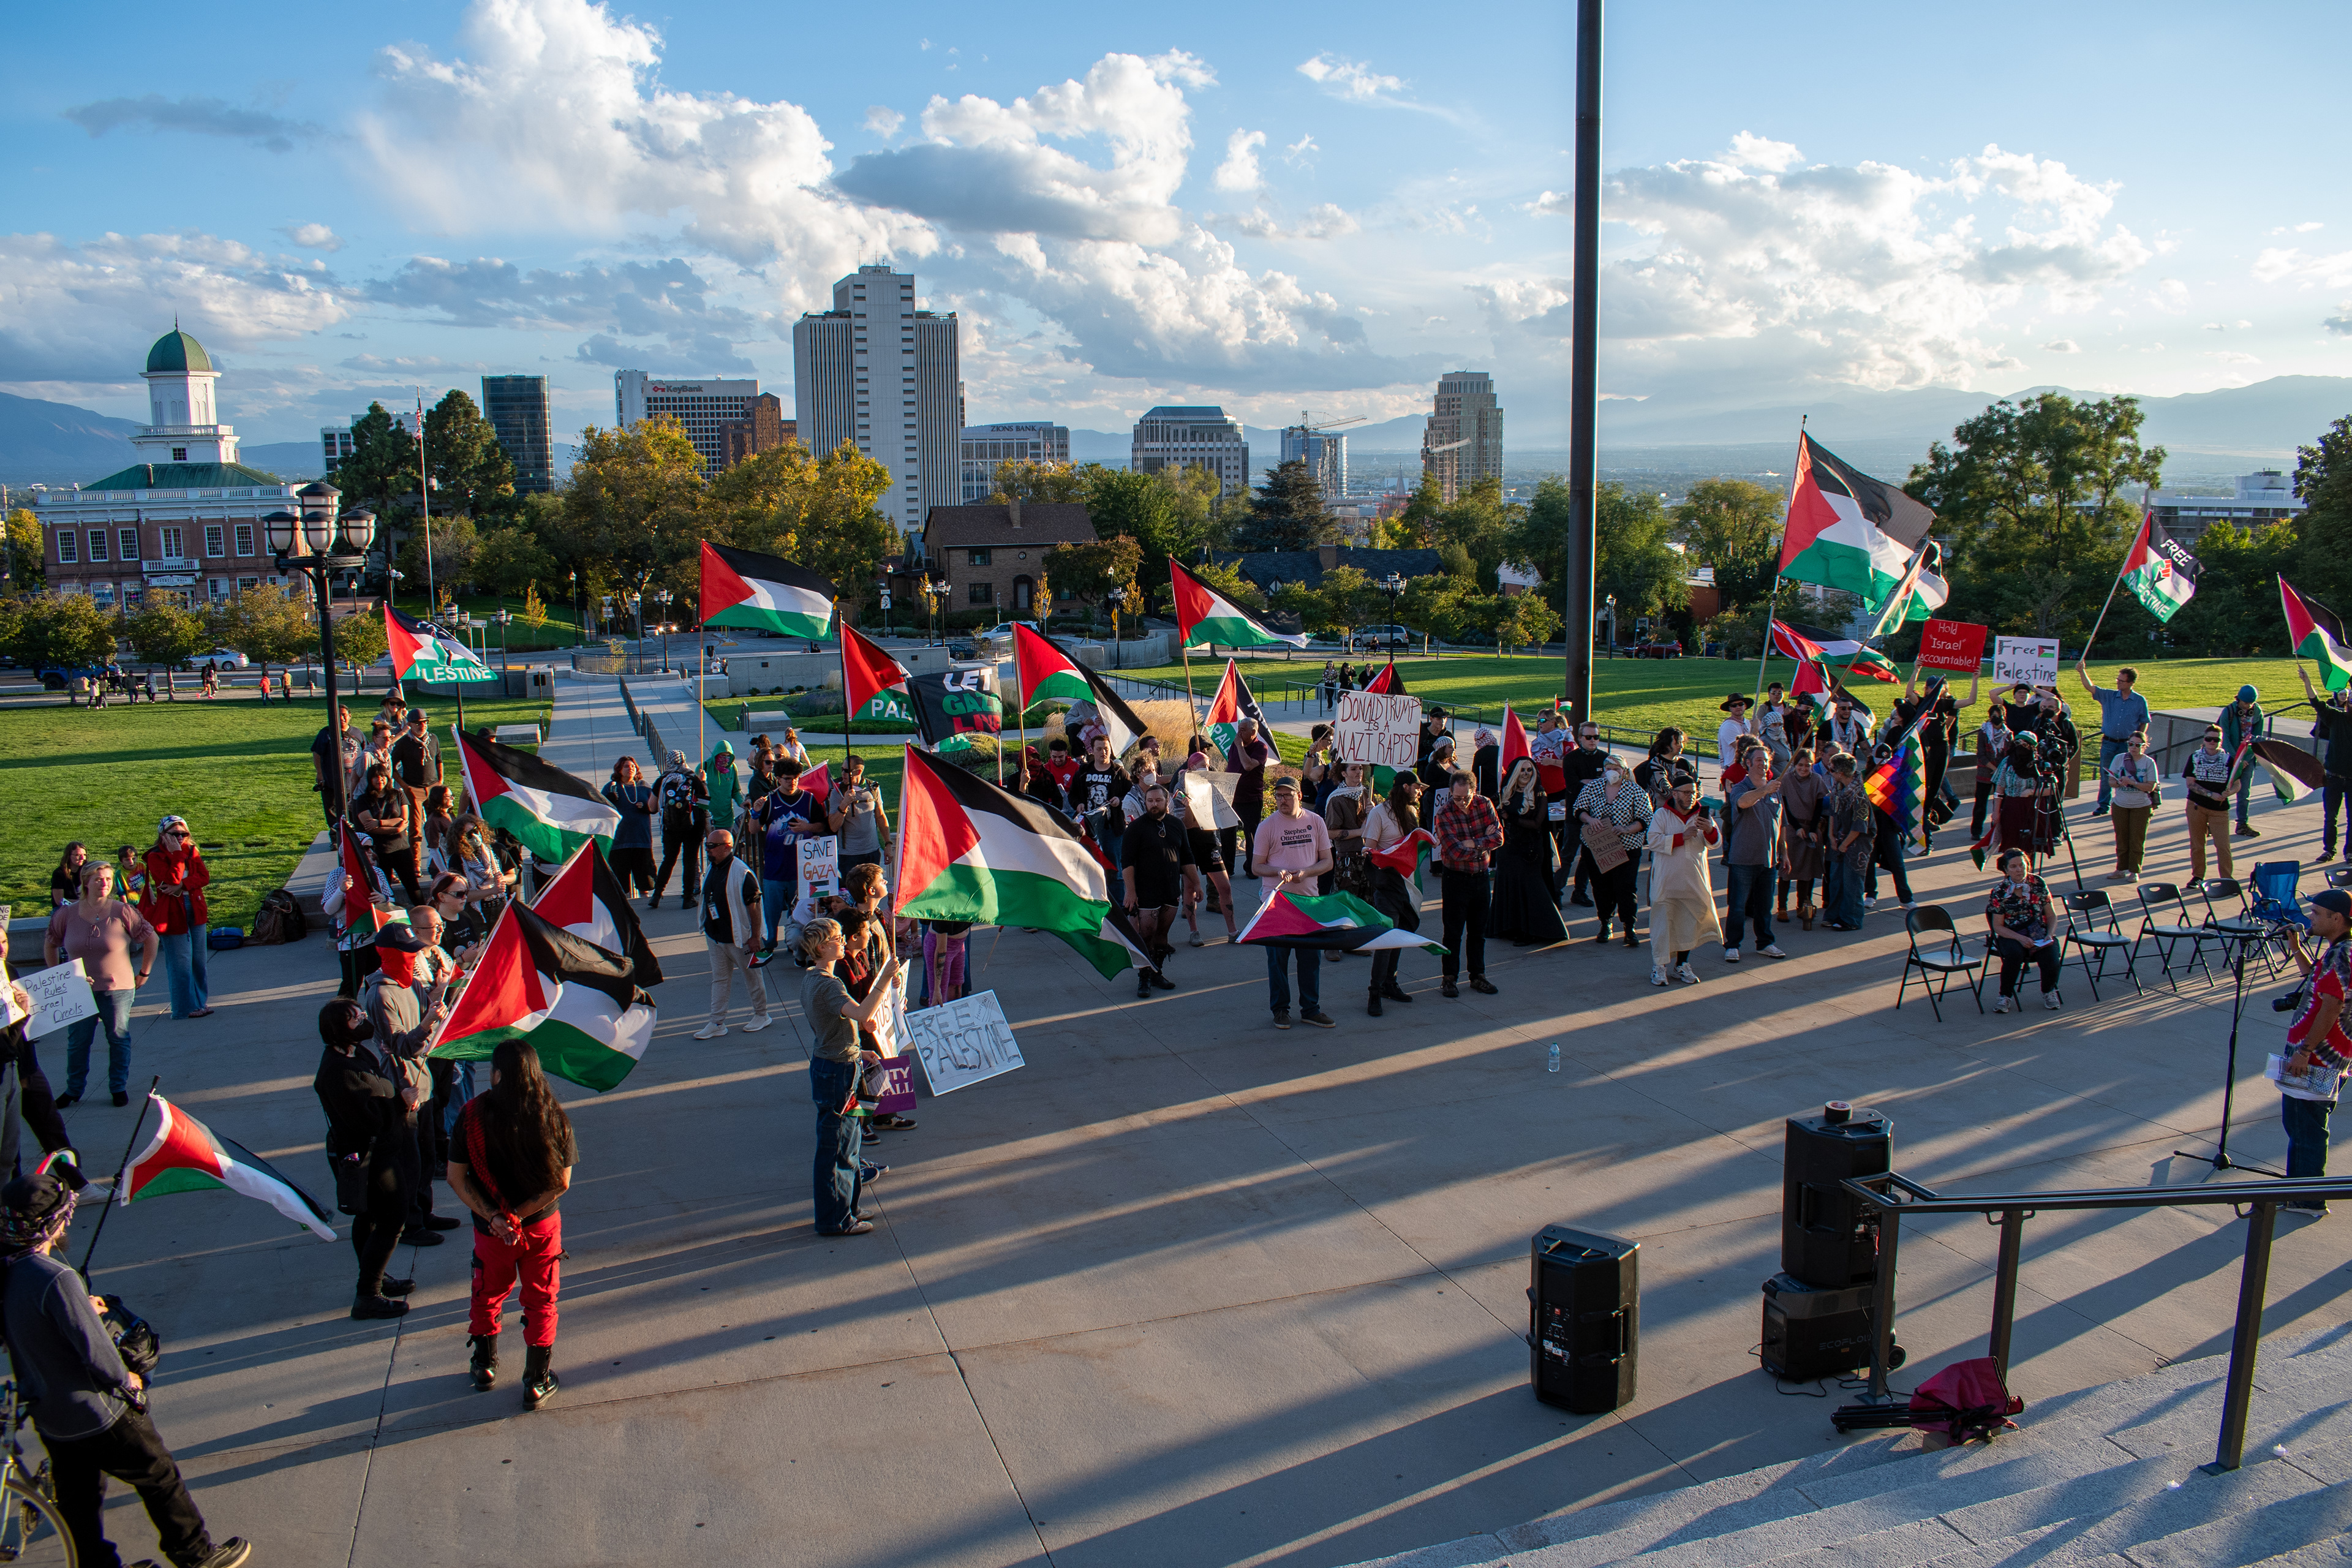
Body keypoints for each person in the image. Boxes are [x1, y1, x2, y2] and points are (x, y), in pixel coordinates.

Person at [0, 1167, 252, 1568]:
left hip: (51, 1416)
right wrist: (128, 1383)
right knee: (159, 1477)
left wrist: (83, 1306)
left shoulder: (10, 1270)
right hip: (97, 1412)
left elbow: (35, 1325)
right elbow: (96, 1354)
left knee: (78, 1501)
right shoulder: (56, 1277)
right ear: (53, 1221)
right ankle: (196, 1554)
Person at [449, 1039, 577, 1409]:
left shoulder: (471, 1116)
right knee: (541, 1300)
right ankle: (536, 1381)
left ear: (498, 1074)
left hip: (491, 1232)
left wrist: (494, 1217)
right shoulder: (553, 1115)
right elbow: (561, 1183)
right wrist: (518, 1217)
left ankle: (485, 1365)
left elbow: (457, 1178)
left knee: (488, 1292)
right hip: (539, 1228)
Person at [315, 996, 422, 1320]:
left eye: (361, 1014)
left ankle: (376, 1278)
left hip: (384, 1148)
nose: (363, 1020)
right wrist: (401, 1103)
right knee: (392, 1219)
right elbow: (369, 1120)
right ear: (337, 1030)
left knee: (370, 1219)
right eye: (354, 1019)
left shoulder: (357, 1052)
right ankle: (368, 1295)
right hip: (369, 1159)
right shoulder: (338, 1073)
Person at [799, 917, 900, 1236]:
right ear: (820, 948)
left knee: (851, 1142)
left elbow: (843, 1024)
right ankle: (835, 1219)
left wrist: (861, 1050)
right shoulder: (828, 985)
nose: (843, 941)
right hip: (837, 1073)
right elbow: (862, 1013)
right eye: (836, 938)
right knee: (838, 1147)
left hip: (840, 1065)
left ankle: (849, 1208)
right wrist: (885, 978)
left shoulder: (813, 980)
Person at [363, 925, 459, 1244]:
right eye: (408, 951)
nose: (414, 955)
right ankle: (409, 1224)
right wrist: (429, 1023)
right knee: (409, 1161)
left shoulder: (414, 984)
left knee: (427, 1157)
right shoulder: (380, 993)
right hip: (403, 1090)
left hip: (424, 1082)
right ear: (389, 954)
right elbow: (403, 1047)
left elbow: (421, 1032)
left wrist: (437, 1008)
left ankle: (424, 1211)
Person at [45, 864, 155, 1109]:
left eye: (107, 879)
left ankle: (118, 1087)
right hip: (79, 990)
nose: (105, 883)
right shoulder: (67, 914)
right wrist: (58, 977)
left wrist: (144, 973)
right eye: (98, 879)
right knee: (78, 1042)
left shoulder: (122, 910)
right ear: (85, 882)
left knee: (118, 1037)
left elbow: (151, 938)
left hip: (118, 987)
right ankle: (73, 1090)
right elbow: (51, 943)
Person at [2278, 890, 2352, 1215]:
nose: (2310, 917)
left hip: (2318, 1059)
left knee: (2306, 1127)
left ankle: (2307, 1199)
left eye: (2316, 913)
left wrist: (2305, 1051)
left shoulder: (2342, 954)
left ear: (2337, 918)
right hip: (2326, 1058)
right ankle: (2300, 1192)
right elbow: (2316, 982)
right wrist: (2296, 949)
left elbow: (2332, 1005)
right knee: (2303, 1125)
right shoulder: (2340, 950)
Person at [1252, 775, 1336, 1026]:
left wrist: (1306, 873)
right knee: (1278, 959)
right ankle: (1280, 1010)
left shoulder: (1316, 822)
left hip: (1308, 902)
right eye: (1278, 796)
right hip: (1276, 902)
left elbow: (1327, 862)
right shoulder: (1267, 826)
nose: (1282, 800)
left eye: (1287, 795)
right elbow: (1257, 866)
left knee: (1310, 959)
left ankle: (1311, 1009)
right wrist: (1278, 872)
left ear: (1299, 796)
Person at [0, 929, 76, 1185]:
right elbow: (8, 1035)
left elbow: (37, 1004)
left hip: (24, 1063)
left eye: (5, 941)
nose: (2, 949)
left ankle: (76, 1183)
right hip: (7, 1065)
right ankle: (12, 1198)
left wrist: (74, 988)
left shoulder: (8, 970)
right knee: (7, 1149)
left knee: (50, 1126)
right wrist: (21, 1017)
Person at [1431, 768, 1502, 998]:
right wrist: (1482, 843)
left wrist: (1471, 843)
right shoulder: (1444, 813)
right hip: (1455, 879)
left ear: (1475, 791)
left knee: (1478, 931)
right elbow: (1453, 850)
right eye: (1457, 797)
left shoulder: (1485, 804)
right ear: (1450, 792)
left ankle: (1478, 975)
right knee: (1453, 932)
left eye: (1466, 797)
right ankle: (1449, 978)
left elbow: (1499, 837)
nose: (1461, 802)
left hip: (1481, 878)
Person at [1643, 774, 1721, 985]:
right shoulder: (1662, 815)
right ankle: (1659, 967)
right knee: (1662, 924)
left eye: (1694, 793)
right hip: (1666, 882)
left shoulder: (1702, 816)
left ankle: (1682, 965)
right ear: (1675, 793)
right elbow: (1654, 841)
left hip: (1694, 880)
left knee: (1688, 923)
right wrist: (1681, 837)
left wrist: (1710, 830)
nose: (1691, 797)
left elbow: (1715, 843)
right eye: (1687, 793)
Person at [1360, 773, 1425, 1016]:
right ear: (1405, 787)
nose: (1419, 792)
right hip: (1387, 884)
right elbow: (1369, 846)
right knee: (1387, 939)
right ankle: (1374, 992)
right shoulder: (1379, 814)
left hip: (1407, 885)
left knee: (1400, 934)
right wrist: (1387, 854)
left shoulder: (1411, 812)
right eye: (1416, 788)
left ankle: (1391, 983)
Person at [695, 829, 770, 1038]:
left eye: (712, 846)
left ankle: (762, 1015)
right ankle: (717, 1022)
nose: (708, 850)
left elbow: (754, 907)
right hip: (715, 936)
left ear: (727, 847)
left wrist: (755, 937)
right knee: (719, 979)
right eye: (707, 845)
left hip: (740, 938)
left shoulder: (741, 873)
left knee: (752, 976)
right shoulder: (712, 868)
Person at [1721, 736, 1789, 962]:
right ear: (1747, 763)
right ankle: (1732, 945)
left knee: (1764, 906)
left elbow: (1781, 825)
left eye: (1767, 760)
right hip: (1743, 858)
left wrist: (1784, 853)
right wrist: (1765, 790)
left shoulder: (1776, 791)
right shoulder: (1742, 788)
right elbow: (1742, 803)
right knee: (1738, 906)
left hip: (1768, 860)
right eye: (1759, 760)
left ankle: (1765, 943)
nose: (1764, 764)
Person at [1572, 752, 1650, 948]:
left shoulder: (1635, 791)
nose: (1612, 773)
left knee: (1626, 888)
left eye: (1616, 769)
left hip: (1627, 847)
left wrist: (1626, 829)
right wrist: (1590, 820)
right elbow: (1578, 810)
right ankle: (1605, 922)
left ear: (1624, 771)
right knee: (1601, 886)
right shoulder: (1592, 787)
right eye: (1609, 769)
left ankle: (1629, 926)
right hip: (1598, 846)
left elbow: (1645, 819)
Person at [1121, 784, 1193, 998]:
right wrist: (1130, 892)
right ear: (1145, 802)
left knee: (1162, 934)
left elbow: (1187, 857)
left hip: (1170, 889)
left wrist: (1196, 885)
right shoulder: (1136, 828)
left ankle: (1156, 972)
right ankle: (1144, 976)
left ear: (1166, 800)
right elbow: (1127, 863)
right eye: (1150, 801)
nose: (1154, 805)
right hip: (1146, 890)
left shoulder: (1176, 825)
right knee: (1146, 934)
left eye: (1158, 801)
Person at [141, 815, 213, 1020]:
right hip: (172, 913)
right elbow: (170, 879)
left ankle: (200, 1003)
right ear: (162, 835)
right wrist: (177, 855)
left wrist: (182, 885)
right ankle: (184, 1008)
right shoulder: (155, 856)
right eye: (175, 834)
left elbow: (204, 877)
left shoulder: (193, 851)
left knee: (198, 960)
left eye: (184, 834)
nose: (180, 838)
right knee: (180, 962)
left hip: (196, 908)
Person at [1489, 758, 1567, 948]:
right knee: (1509, 886)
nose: (1526, 773)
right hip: (1508, 849)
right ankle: (1511, 928)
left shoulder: (1539, 793)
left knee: (1531, 890)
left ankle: (1536, 930)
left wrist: (1511, 817)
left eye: (1530, 770)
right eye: (1522, 770)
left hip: (1530, 849)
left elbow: (1536, 824)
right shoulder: (1505, 793)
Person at [751, 761, 823, 950]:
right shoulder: (770, 801)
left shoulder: (808, 800)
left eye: (796, 778)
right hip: (775, 869)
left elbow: (822, 826)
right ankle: (770, 944)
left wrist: (806, 827)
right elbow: (753, 829)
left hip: (802, 871)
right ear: (778, 779)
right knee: (771, 914)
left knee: (798, 914)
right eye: (787, 779)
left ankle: (796, 945)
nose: (792, 782)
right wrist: (755, 812)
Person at [1985, 850, 2061, 1012]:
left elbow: (2051, 915)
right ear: (2005, 870)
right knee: (2014, 956)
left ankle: (2049, 991)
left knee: (2051, 958)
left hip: (2038, 933)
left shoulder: (2038, 883)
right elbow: (1998, 926)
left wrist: (2049, 934)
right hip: (2011, 934)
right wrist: (2020, 938)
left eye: (2022, 865)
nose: (2019, 869)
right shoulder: (1999, 891)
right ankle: (2004, 996)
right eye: (2013, 866)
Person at [2076, 663, 2151, 818]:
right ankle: (2103, 805)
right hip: (2109, 743)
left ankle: (2125, 803)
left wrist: (2138, 741)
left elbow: (2144, 721)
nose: (2118, 683)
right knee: (2107, 775)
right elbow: (2090, 687)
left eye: (2121, 681)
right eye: (2117, 680)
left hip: (2128, 745)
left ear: (2131, 683)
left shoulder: (2139, 701)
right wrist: (2082, 671)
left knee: (2129, 775)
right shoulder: (2109, 696)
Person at [352, 763, 422, 906]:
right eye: (376, 777)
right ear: (370, 780)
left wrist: (379, 823)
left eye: (383, 777)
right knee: (384, 890)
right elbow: (369, 827)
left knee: (413, 887)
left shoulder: (398, 795)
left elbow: (404, 820)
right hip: (379, 851)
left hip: (401, 848)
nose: (380, 780)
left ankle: (423, 912)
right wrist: (396, 828)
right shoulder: (363, 800)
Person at [1776, 742, 1828, 929]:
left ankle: (1803, 904)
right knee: (1787, 869)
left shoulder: (1817, 781)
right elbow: (1785, 806)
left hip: (1810, 827)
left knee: (1807, 870)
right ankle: (1782, 906)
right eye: (1800, 765)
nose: (1804, 769)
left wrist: (1813, 829)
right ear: (1794, 765)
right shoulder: (1787, 780)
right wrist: (1796, 827)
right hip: (1792, 827)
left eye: (1808, 765)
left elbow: (1819, 806)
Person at [2304, 666, 2352, 864]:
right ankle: (2329, 850)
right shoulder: (2336, 718)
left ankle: (2350, 853)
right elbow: (2317, 703)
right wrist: (2307, 682)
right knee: (2330, 817)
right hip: (2333, 777)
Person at [391, 707, 443, 887]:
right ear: (410, 725)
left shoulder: (433, 739)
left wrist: (440, 781)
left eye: (425, 722)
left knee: (438, 823)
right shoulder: (405, 743)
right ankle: (416, 864)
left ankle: (439, 861)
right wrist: (405, 786)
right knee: (415, 828)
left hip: (433, 787)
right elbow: (392, 764)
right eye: (418, 723)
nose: (422, 726)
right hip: (414, 789)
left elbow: (438, 759)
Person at [1820, 755, 1872, 932]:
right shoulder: (1838, 789)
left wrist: (1844, 844)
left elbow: (1860, 825)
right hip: (1838, 840)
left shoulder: (1859, 795)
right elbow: (1833, 814)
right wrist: (1832, 837)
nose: (1830, 772)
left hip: (1856, 845)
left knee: (1852, 882)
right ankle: (1834, 915)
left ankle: (1851, 919)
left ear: (1841, 773)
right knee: (1836, 881)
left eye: (1832, 769)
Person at [2181, 724, 2236, 889]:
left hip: (2219, 809)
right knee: (2198, 844)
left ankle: (2227, 879)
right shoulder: (2195, 758)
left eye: (2216, 740)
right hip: (2197, 806)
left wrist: (2230, 792)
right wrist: (2210, 794)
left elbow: (2238, 784)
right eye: (2209, 739)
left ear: (2221, 742)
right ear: (2204, 740)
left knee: (2223, 845)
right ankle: (2198, 876)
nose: (2212, 742)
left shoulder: (2229, 760)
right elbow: (2190, 784)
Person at [654, 749, 710, 908]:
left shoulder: (663, 779)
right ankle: (688, 897)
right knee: (690, 861)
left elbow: (652, 807)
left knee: (669, 859)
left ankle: (657, 895)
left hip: (670, 827)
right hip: (693, 827)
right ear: (684, 760)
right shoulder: (693, 778)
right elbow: (705, 803)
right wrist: (703, 781)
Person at [2106, 732, 2161, 882]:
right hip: (2120, 804)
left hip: (2141, 806)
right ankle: (2120, 869)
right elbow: (2111, 781)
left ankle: (2134, 871)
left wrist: (2133, 783)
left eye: (2138, 745)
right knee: (2121, 838)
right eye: (2131, 744)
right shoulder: (2119, 759)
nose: (2134, 748)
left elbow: (2151, 786)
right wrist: (2119, 782)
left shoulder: (2149, 762)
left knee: (2137, 839)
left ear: (2144, 746)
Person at [601, 756, 658, 899]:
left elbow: (655, 807)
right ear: (619, 770)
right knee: (621, 880)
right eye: (626, 766)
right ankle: (627, 905)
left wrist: (646, 808)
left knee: (644, 877)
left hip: (641, 839)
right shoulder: (611, 787)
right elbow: (601, 809)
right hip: (620, 840)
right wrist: (608, 800)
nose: (631, 769)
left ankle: (644, 901)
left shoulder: (644, 786)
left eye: (633, 766)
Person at [1074, 735, 1130, 878]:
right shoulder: (1083, 772)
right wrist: (1078, 804)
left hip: (1113, 828)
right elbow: (1073, 794)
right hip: (1089, 828)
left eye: (1106, 749)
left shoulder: (1120, 773)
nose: (1103, 752)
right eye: (1099, 749)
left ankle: (1118, 899)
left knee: (1116, 869)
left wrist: (1120, 799)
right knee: (1091, 868)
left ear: (1111, 750)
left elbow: (1131, 794)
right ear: (1092, 751)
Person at [1226, 718, 1273, 876]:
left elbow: (1248, 765)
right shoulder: (1235, 746)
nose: (1239, 733)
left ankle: (1252, 868)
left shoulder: (1260, 748)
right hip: (1232, 796)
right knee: (1227, 832)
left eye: (1243, 730)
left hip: (1251, 798)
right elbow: (1231, 765)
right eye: (1239, 729)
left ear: (1253, 732)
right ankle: (1228, 867)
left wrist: (1240, 746)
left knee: (1251, 834)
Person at [829, 753, 892, 874]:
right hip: (848, 855)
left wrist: (888, 844)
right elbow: (833, 826)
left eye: (847, 770)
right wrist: (844, 805)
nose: (842, 773)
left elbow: (880, 816)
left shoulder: (873, 788)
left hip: (872, 851)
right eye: (842, 769)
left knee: (872, 891)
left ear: (858, 772)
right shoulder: (837, 792)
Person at [2223, 684, 2266, 836]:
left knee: (2244, 793)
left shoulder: (2258, 713)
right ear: (2238, 699)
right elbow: (2224, 737)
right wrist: (2236, 758)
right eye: (2245, 703)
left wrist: (2246, 758)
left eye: (2251, 704)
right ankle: (2213, 822)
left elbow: (2257, 739)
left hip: (2248, 758)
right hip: (2229, 758)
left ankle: (2242, 824)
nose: (2248, 706)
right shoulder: (2229, 712)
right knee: (2223, 789)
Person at [1970, 703, 2015, 841]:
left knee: (2000, 803)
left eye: (1999, 716)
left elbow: (2009, 755)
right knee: (1981, 803)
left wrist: (2000, 771)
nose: (1996, 719)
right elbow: (1981, 755)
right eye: (1993, 716)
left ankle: (1997, 830)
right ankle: (1976, 831)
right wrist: (1994, 769)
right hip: (1985, 773)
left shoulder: (2008, 735)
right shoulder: (1983, 733)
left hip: (2001, 774)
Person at [311, 704, 361, 825]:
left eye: (344, 715)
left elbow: (365, 751)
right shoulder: (326, 734)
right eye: (337, 715)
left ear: (350, 716)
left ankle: (355, 837)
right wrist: (320, 774)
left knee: (354, 809)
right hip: (332, 781)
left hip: (353, 780)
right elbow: (317, 753)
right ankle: (336, 838)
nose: (341, 718)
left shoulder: (357, 733)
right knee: (333, 811)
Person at [704, 742, 742, 839]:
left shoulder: (733, 768)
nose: (725, 759)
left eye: (728, 756)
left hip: (727, 819)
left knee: (725, 848)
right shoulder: (704, 767)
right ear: (716, 755)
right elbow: (697, 795)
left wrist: (742, 803)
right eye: (722, 756)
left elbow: (736, 791)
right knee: (712, 849)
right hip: (709, 819)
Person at [48, 843, 89, 913]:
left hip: (85, 907)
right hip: (62, 909)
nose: (83, 858)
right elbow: (59, 901)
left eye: (84, 855)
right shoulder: (59, 874)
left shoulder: (88, 871)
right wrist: (83, 904)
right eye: (78, 855)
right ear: (69, 856)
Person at [1716, 693, 1755, 765]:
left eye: (1741, 704)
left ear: (1745, 706)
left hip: (1747, 765)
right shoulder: (1729, 726)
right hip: (1734, 766)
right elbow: (1742, 749)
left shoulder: (1747, 723)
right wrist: (1755, 730)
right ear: (1730, 709)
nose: (1738, 707)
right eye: (1734, 705)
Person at [1471, 726, 1501, 800]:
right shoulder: (1502, 751)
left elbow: (1474, 775)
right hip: (1502, 789)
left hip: (1486, 792)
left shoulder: (1480, 754)